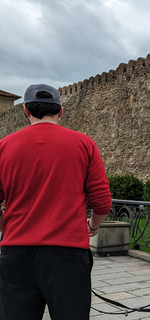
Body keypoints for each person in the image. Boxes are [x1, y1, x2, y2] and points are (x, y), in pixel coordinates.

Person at [0, 84, 112, 320]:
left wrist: (6, 227)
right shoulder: (84, 144)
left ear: (25, 110)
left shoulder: (4, 146)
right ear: (60, 111)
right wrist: (92, 226)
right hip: (68, 254)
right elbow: (102, 202)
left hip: (17, 253)